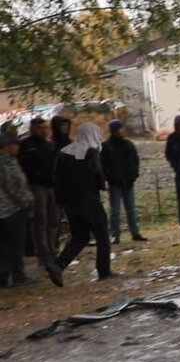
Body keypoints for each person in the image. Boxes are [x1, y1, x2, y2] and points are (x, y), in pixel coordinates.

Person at [52, 122, 111, 284]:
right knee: (102, 235)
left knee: (80, 236)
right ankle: (104, 271)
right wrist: (103, 184)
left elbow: (57, 179)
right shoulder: (91, 153)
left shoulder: (64, 153)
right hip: (90, 200)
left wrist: (60, 200)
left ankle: (58, 265)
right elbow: (98, 173)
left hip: (71, 203)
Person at [18, 117, 59, 269]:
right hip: (36, 186)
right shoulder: (26, 145)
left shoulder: (49, 144)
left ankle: (52, 249)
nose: (43, 131)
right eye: (40, 128)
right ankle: (43, 254)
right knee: (40, 221)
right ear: (33, 129)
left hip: (51, 186)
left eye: (45, 128)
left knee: (53, 220)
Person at [100, 119, 146, 244]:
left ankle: (135, 232)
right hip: (115, 183)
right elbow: (104, 165)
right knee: (115, 210)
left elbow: (135, 161)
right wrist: (110, 178)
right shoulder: (106, 146)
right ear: (114, 130)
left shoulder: (129, 144)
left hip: (128, 181)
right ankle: (115, 234)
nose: (123, 130)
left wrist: (134, 175)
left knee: (131, 209)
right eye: (120, 128)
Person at [0, 134, 36, 287]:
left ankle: (2, 276)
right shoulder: (7, 162)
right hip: (12, 209)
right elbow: (15, 186)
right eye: (15, 145)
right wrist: (27, 203)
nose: (18, 148)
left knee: (2, 246)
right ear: (7, 147)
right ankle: (19, 276)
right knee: (15, 245)